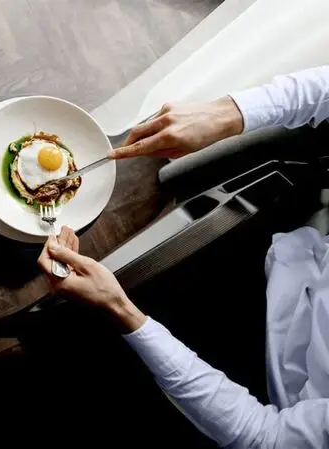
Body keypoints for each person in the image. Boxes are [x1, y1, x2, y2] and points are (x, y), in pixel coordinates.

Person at [38, 66, 329, 448]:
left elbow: (264, 436)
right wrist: (228, 113)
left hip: (257, 364)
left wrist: (120, 309)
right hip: (303, 234)